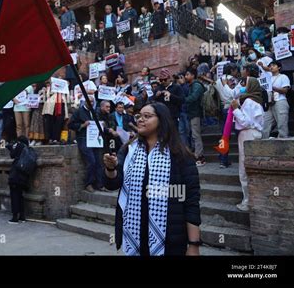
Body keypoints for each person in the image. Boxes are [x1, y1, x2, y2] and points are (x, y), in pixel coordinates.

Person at [103, 102, 201, 256]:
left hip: (171, 237)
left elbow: (191, 200)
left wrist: (194, 244)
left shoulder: (180, 155)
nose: (140, 120)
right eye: (139, 116)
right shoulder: (129, 150)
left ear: (162, 120)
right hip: (136, 233)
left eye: (147, 116)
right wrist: (111, 168)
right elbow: (113, 183)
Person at [230, 77, 265, 211]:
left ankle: (247, 201)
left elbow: (245, 122)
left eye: (246, 84)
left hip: (247, 134)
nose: (243, 86)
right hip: (256, 133)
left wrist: (236, 109)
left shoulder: (249, 102)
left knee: (244, 169)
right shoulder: (257, 102)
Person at [69, 95, 104, 192]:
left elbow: (99, 124)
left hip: (95, 139)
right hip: (84, 139)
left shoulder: (95, 112)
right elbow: (70, 125)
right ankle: (88, 184)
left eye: (92, 102)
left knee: (98, 162)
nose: (91, 103)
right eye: (89, 101)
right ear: (85, 102)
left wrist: (103, 125)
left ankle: (99, 184)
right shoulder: (78, 112)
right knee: (91, 161)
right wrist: (82, 125)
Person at [6, 136, 35, 224]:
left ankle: (15, 218)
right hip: (23, 177)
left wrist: (10, 148)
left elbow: (12, 155)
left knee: (14, 196)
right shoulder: (29, 150)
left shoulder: (19, 146)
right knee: (20, 196)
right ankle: (22, 217)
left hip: (15, 176)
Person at [214, 63, 237, 168]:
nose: (236, 72)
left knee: (224, 136)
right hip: (232, 108)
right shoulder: (232, 79)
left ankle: (223, 160)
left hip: (223, 108)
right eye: (235, 70)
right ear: (232, 70)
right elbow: (233, 93)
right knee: (239, 133)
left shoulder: (218, 80)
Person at [262, 61, 291, 138]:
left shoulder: (283, 77)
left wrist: (272, 87)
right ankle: (263, 142)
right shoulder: (267, 78)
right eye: (270, 66)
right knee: (265, 124)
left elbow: (285, 90)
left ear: (279, 67)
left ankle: (283, 143)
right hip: (269, 103)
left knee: (282, 124)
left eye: (274, 65)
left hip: (280, 101)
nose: (271, 67)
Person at [184, 69, 206, 167]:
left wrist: (183, 100)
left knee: (196, 135)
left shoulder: (196, 85)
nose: (185, 76)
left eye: (187, 74)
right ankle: (197, 155)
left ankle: (200, 157)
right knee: (194, 135)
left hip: (196, 113)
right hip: (192, 113)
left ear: (193, 75)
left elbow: (193, 97)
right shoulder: (192, 85)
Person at [42, 80, 69, 145]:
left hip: (61, 105)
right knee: (50, 123)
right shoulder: (49, 88)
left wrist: (66, 85)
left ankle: (56, 138)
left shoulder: (64, 89)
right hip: (51, 107)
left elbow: (67, 98)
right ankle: (50, 138)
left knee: (59, 123)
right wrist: (48, 89)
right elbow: (46, 97)